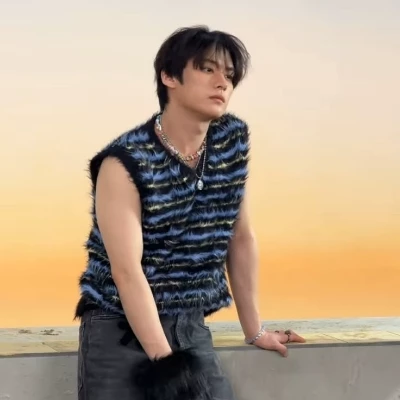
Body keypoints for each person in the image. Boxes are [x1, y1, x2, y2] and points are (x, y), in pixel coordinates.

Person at [74, 25, 305, 400]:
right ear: (169, 76)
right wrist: (168, 367)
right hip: (118, 330)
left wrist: (255, 330)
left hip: (190, 324)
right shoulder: (125, 162)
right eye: (207, 69)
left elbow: (240, 237)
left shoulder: (228, 141)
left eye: (229, 74)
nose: (222, 83)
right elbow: (126, 271)